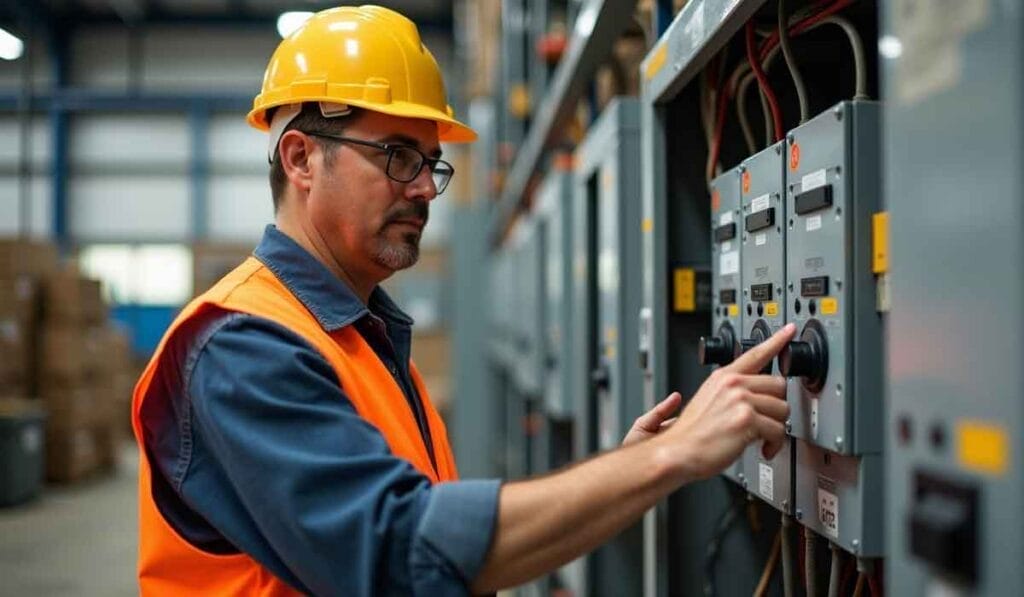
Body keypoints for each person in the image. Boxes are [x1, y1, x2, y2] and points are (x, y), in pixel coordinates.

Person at [130, 5, 796, 596]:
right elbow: (403, 553)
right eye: (396, 156)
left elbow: (439, 531)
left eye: (430, 163)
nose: (424, 188)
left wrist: (629, 469)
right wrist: (665, 459)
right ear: (301, 158)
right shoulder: (241, 345)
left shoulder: (361, 336)